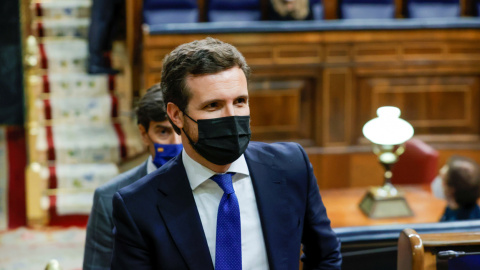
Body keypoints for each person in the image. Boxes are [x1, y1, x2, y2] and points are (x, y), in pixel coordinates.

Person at [110, 37, 342, 269]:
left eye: (240, 101)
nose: (231, 117)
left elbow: (325, 256)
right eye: (213, 105)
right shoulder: (137, 206)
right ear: (176, 115)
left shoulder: (291, 165)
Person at [82, 84, 182, 270]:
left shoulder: (218, 183)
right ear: (144, 134)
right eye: (163, 132)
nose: (176, 144)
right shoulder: (108, 198)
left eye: (180, 130)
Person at [431, 156, 480, 221]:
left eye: (442, 179)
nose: (437, 183)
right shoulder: (452, 208)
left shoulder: (454, 224)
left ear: (451, 190)